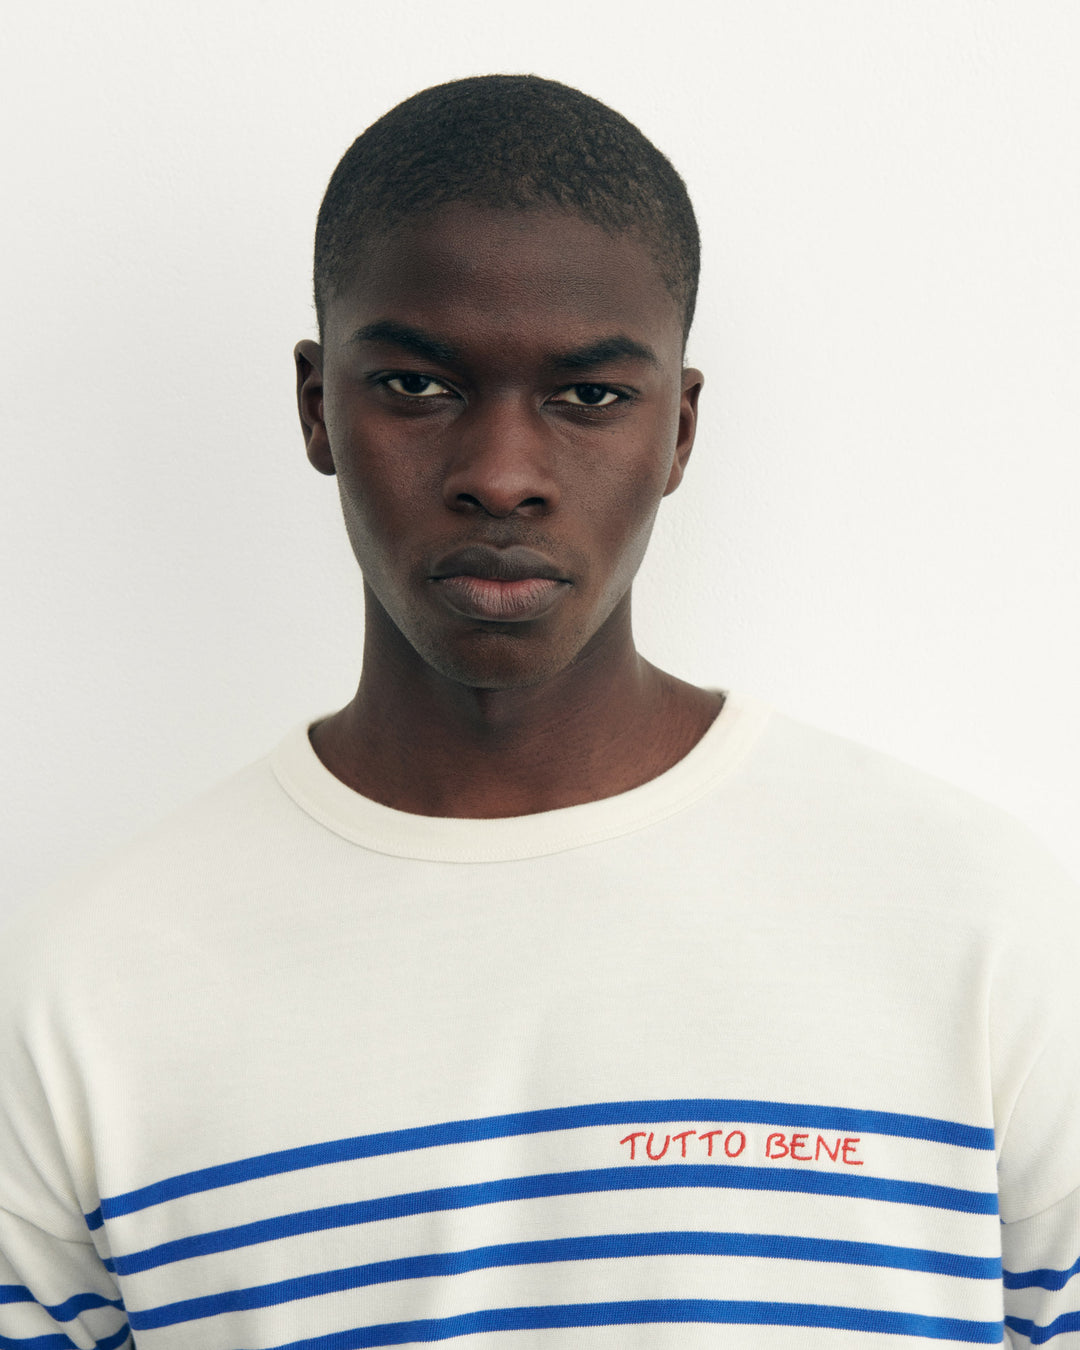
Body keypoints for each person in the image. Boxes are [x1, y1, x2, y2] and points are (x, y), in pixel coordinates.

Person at [1, 74, 1077, 1350]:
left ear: (680, 431)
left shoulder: (981, 927)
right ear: (316, 407)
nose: (502, 475)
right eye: (417, 385)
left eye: (590, 397)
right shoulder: (85, 994)